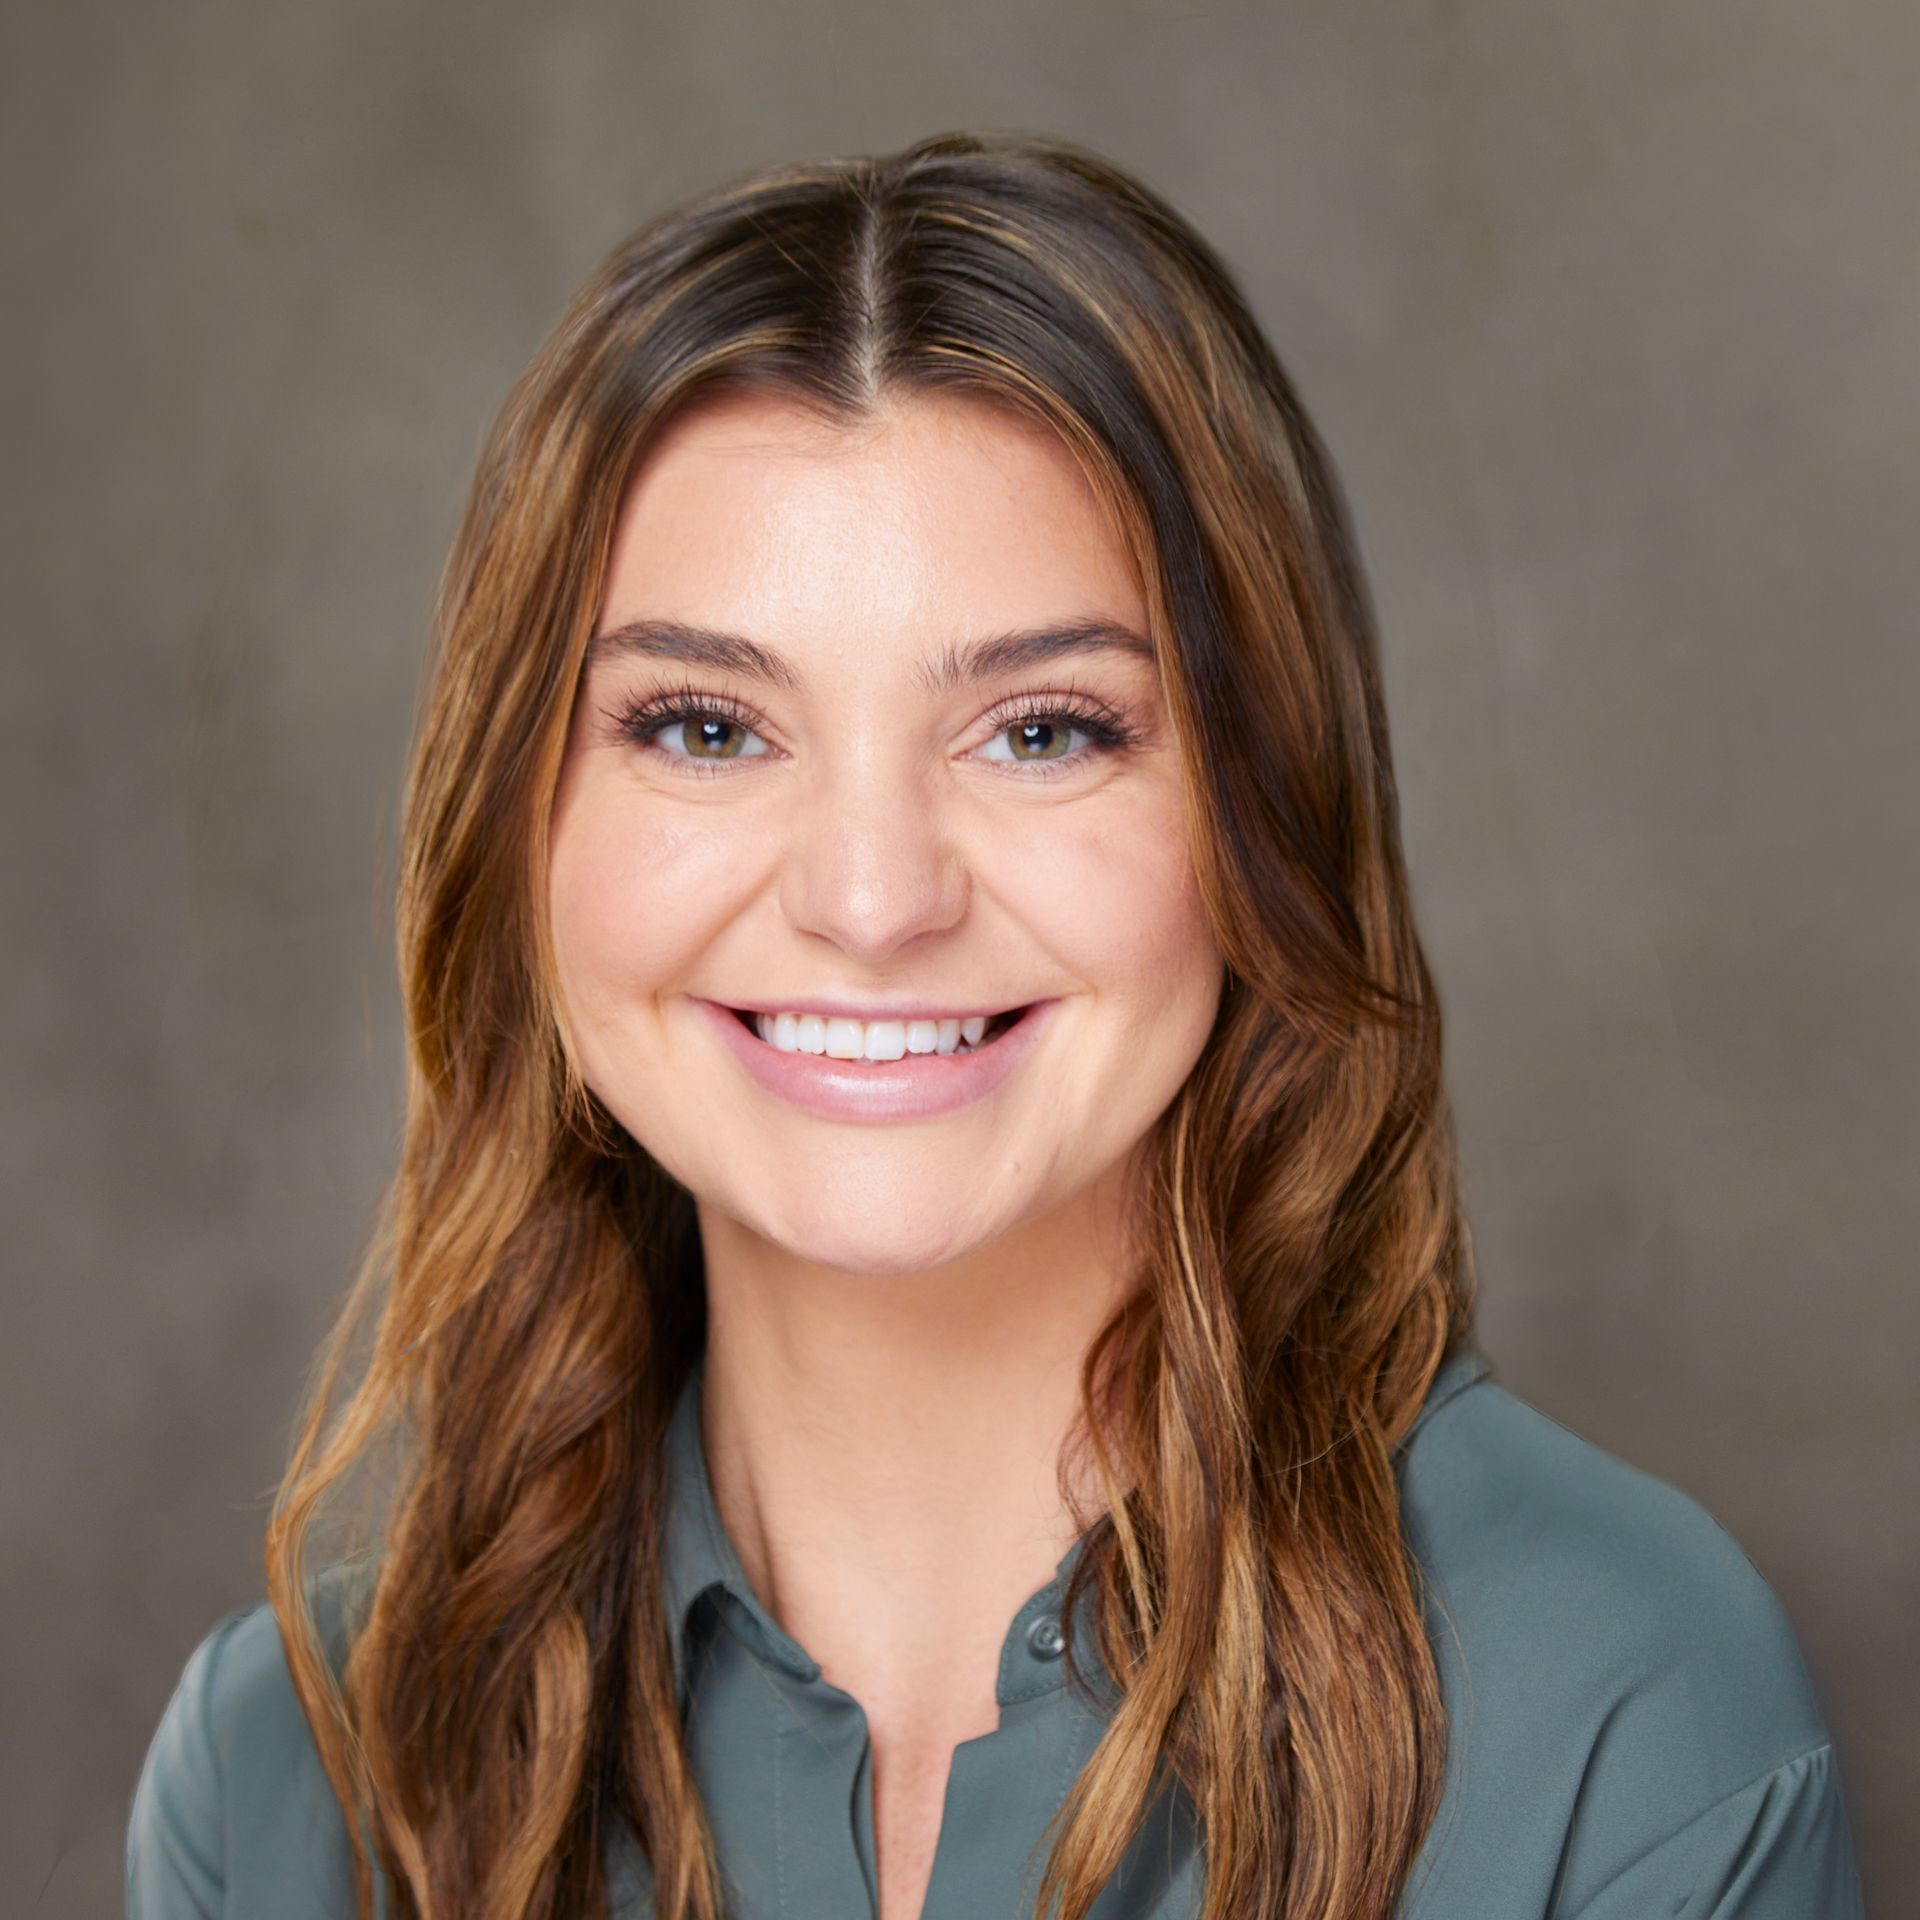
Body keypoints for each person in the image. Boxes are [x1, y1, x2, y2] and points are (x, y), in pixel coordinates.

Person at [125, 131, 1865, 1920]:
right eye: (708, 728)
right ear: (515, 828)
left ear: (1262, 814)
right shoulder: (288, 1771)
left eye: (1043, 729)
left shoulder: (1620, 1721)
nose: (873, 902)